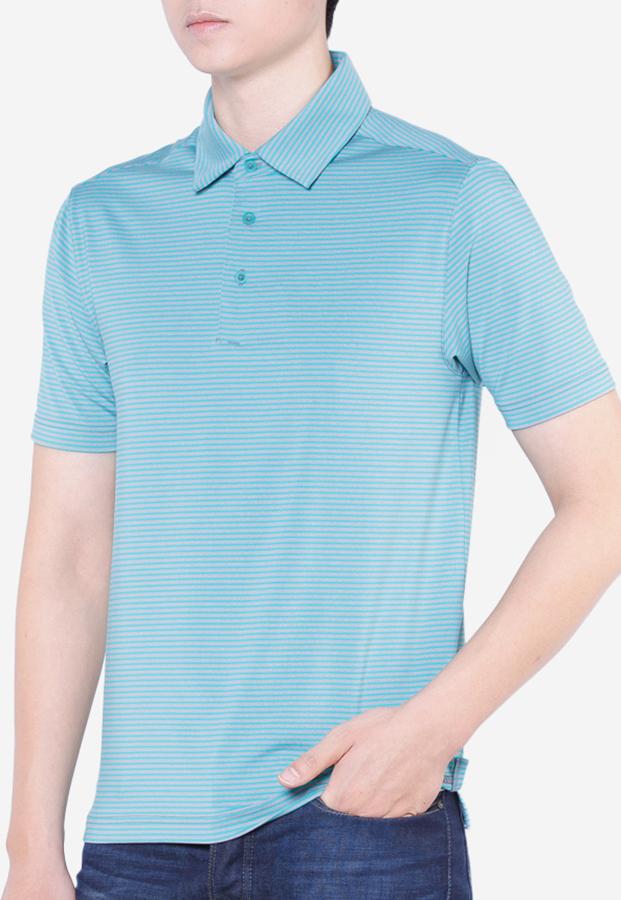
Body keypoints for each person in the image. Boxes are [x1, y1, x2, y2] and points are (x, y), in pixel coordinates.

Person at [4, 1, 621, 897]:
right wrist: (30, 846)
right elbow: (67, 553)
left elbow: (603, 497)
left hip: (357, 824)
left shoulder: (452, 198)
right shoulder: (102, 221)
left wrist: (431, 731)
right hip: (136, 840)